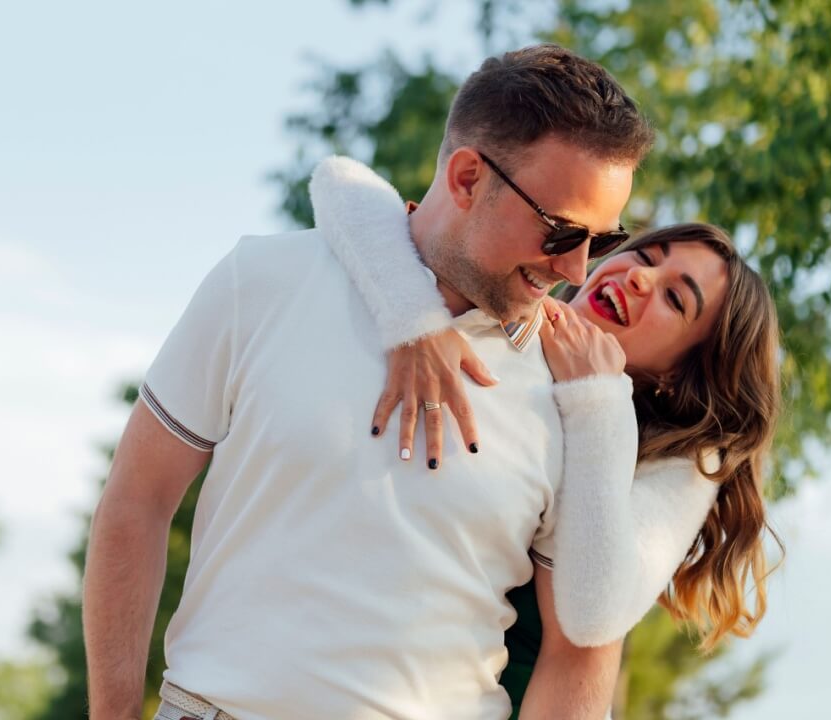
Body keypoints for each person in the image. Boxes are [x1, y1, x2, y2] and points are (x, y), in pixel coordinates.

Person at [83, 44, 655, 720]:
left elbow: (579, 652)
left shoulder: (572, 399)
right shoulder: (265, 279)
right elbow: (137, 500)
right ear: (468, 179)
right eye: (560, 231)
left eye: (601, 240)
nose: (577, 271)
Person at [307, 154, 782, 713]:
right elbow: (341, 180)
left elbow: (593, 617)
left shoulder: (680, 465)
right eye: (646, 255)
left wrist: (598, 398)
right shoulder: (501, 311)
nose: (640, 276)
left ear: (680, 373)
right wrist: (413, 322)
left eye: (676, 299)